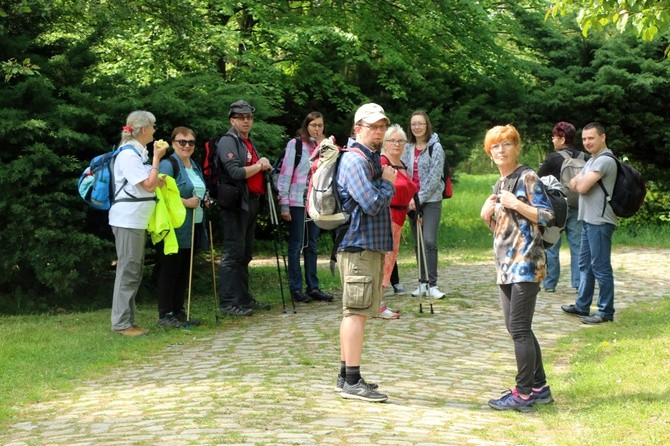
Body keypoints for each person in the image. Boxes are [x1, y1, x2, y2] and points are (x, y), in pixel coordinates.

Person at [480, 124, 555, 411]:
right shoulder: (500, 184)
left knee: (520, 328)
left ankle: (522, 394)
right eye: (495, 146)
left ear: (516, 147)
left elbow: (546, 215)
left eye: (506, 144)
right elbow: (504, 231)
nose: (501, 149)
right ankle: (539, 387)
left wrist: (517, 204)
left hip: (527, 264)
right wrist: (486, 216)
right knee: (517, 328)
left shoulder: (527, 177)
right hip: (506, 266)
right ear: (489, 153)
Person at [335, 103, 397, 402]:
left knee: (358, 312)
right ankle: (351, 381)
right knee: (355, 313)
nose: (379, 132)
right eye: (373, 127)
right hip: (357, 245)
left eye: (382, 127)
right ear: (357, 128)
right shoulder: (354, 161)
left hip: (366, 245)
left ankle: (347, 375)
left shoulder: (368, 159)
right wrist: (387, 182)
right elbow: (372, 203)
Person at [109, 111, 166, 336]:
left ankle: (128, 322)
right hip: (127, 219)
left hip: (136, 220)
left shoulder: (136, 152)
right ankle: (122, 324)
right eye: (153, 126)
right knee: (128, 270)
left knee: (134, 270)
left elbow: (149, 183)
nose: (155, 129)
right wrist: (157, 159)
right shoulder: (129, 155)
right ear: (143, 130)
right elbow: (148, 186)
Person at [216, 100, 273, 316]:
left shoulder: (247, 142)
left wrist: (262, 165)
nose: (246, 120)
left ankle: (243, 298)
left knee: (245, 253)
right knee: (233, 253)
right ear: (232, 120)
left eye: (249, 117)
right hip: (235, 204)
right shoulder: (228, 141)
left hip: (251, 202)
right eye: (241, 117)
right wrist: (259, 165)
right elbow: (236, 172)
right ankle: (229, 303)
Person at [560, 122, 617, 324]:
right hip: (587, 219)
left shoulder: (605, 160)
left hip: (600, 221)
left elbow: (580, 186)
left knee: (600, 267)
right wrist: (579, 181)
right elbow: (572, 182)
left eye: (591, 138)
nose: (587, 142)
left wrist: (580, 182)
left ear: (603, 137)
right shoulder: (592, 160)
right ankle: (582, 306)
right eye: (584, 139)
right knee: (585, 265)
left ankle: (605, 311)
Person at [277, 112, 334, 304]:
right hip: (296, 201)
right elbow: (285, 174)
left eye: (320, 125)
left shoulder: (325, 146)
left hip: (316, 202)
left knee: (312, 245)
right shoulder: (296, 145)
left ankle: (313, 286)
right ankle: (296, 287)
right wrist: (284, 203)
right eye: (313, 125)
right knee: (296, 245)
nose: (317, 129)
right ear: (306, 126)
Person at [155, 127, 207, 328]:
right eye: (181, 142)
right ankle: (165, 314)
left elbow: (199, 189)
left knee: (184, 269)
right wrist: (185, 203)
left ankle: (177, 311)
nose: (186, 146)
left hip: (193, 225)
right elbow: (160, 194)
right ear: (173, 143)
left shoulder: (193, 165)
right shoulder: (169, 165)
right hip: (175, 227)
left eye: (191, 142)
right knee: (170, 269)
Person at [538, 122, 588, 293]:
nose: (552, 140)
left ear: (562, 138)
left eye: (554, 137)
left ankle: (550, 285)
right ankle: (578, 285)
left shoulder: (553, 158)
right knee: (578, 247)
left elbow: (537, 180)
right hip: (577, 205)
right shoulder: (584, 157)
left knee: (552, 245)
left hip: (556, 208)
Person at [401, 110, 446, 299]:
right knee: (418, 242)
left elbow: (435, 178)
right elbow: (403, 172)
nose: (417, 127)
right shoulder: (407, 147)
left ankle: (432, 283)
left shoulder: (435, 147)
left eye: (420, 123)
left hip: (431, 201)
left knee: (429, 240)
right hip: (411, 202)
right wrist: (409, 198)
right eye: (413, 124)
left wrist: (419, 198)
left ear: (427, 125)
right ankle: (422, 282)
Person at [379, 124, 417, 319]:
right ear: (384, 143)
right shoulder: (383, 162)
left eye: (400, 141)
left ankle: (379, 302)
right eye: (392, 140)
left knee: (391, 260)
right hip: (387, 217)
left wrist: (410, 203)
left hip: (400, 217)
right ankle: (378, 304)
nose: (396, 144)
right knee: (385, 260)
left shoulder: (401, 163)